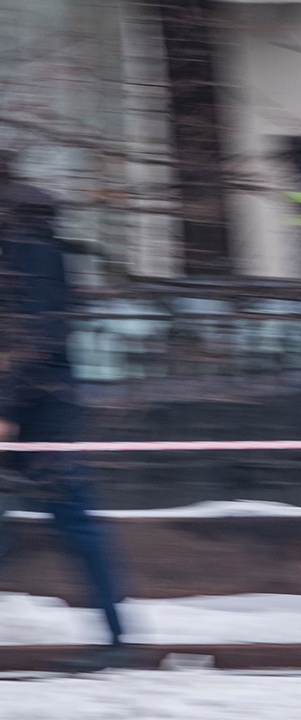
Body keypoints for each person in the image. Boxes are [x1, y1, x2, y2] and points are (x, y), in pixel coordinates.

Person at [0, 151, 131, 660]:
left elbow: (37, 335)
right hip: (33, 400)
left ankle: (117, 637)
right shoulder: (23, 239)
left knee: (75, 518)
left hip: (41, 407)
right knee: (70, 519)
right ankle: (117, 636)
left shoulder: (27, 244)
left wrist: (7, 410)